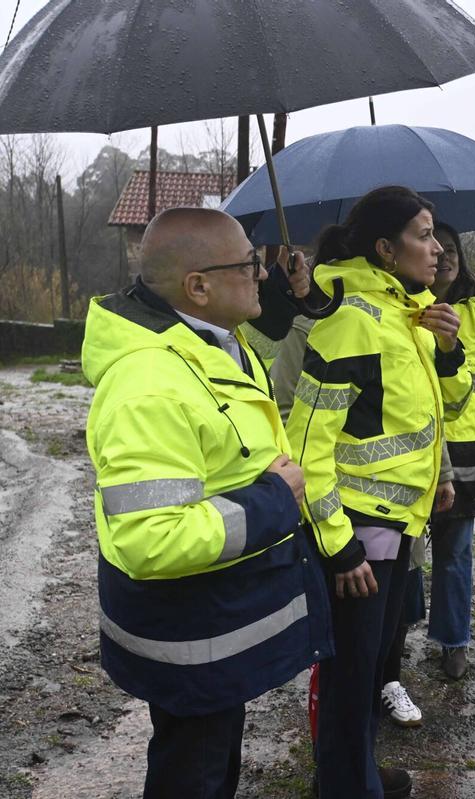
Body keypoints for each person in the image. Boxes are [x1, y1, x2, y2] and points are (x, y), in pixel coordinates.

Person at [81, 207, 333, 799]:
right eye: (249, 264)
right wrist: (277, 499)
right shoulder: (148, 385)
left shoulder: (213, 341)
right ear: (199, 286)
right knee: (192, 773)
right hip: (189, 637)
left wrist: (301, 295)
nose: (262, 275)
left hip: (213, 623)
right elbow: (152, 538)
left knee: (213, 763)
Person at [286, 186, 470, 799]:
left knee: (370, 673)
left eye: (437, 232)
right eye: (423, 234)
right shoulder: (352, 323)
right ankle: (344, 786)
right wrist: (340, 548)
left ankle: (357, 772)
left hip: (397, 523)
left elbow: (431, 410)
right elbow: (308, 445)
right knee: (350, 674)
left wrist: (447, 348)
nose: (438, 248)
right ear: (387, 249)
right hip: (359, 533)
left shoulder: (405, 314)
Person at [380, 222, 475, 700]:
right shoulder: (398, 310)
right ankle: (400, 632)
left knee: (455, 552)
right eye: (437, 247)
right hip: (410, 449)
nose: (446, 256)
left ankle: (453, 640)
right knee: (407, 551)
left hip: (464, 448)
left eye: (453, 248)